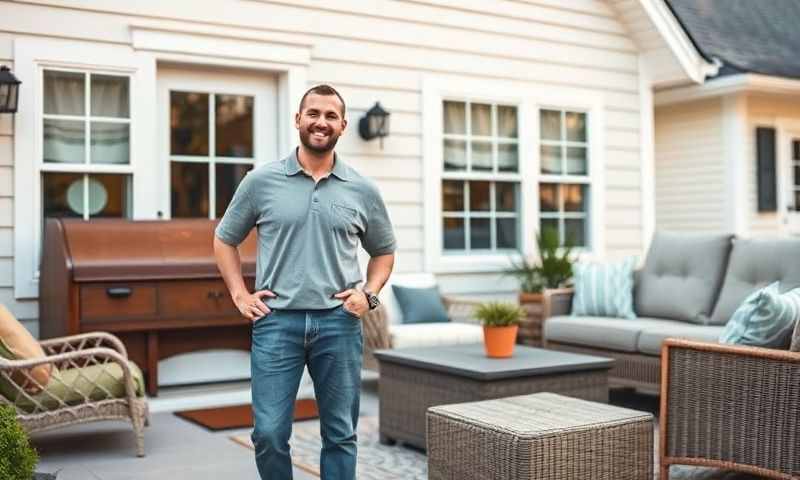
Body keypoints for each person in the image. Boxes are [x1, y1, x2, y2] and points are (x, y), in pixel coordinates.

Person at [213, 84, 396, 480]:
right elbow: (224, 238)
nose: (321, 122)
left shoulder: (362, 189)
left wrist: (370, 294)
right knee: (269, 433)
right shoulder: (261, 182)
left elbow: (384, 252)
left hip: (339, 323)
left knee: (340, 434)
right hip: (277, 323)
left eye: (331, 116)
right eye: (313, 113)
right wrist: (239, 294)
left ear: (343, 126)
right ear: (298, 119)